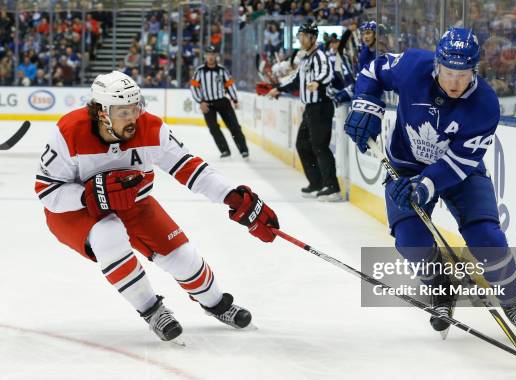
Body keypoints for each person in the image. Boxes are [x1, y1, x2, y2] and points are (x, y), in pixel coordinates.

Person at [34, 71, 279, 343]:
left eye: (136, 108)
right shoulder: (69, 132)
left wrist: (231, 196)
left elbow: (190, 167)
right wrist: (87, 197)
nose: (133, 118)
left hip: (136, 205)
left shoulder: (152, 128)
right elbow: (47, 191)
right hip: (76, 212)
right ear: (102, 113)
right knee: (109, 235)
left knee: (185, 259)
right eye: (124, 112)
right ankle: (152, 311)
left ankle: (217, 304)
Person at [344, 28, 516, 342]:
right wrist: (365, 104)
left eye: (462, 75)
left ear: (474, 71)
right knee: (411, 241)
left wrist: (424, 186)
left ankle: (513, 302)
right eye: (448, 72)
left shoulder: (485, 104)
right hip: (406, 167)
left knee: (486, 237)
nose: (453, 82)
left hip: (458, 172)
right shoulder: (412, 66)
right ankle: (443, 288)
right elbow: (373, 69)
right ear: (437, 64)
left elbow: (459, 162)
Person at [268, 22, 341, 202]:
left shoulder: (320, 55)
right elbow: (295, 79)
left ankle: (332, 187)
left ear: (313, 38)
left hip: (321, 107)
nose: (300, 39)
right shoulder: (305, 59)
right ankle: (316, 183)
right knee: (302, 145)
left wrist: (317, 82)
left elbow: (327, 72)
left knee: (320, 146)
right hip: (310, 109)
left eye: (303, 36)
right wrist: (278, 88)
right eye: (299, 36)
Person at [190, 46, 250, 159]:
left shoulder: (222, 70)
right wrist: (200, 101)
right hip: (207, 104)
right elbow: (193, 87)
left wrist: (235, 99)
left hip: (222, 102)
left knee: (234, 126)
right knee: (213, 128)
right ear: (205, 56)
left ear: (216, 55)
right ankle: (225, 150)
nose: (211, 57)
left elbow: (230, 85)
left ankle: (244, 150)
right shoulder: (200, 71)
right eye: (208, 54)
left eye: (213, 54)